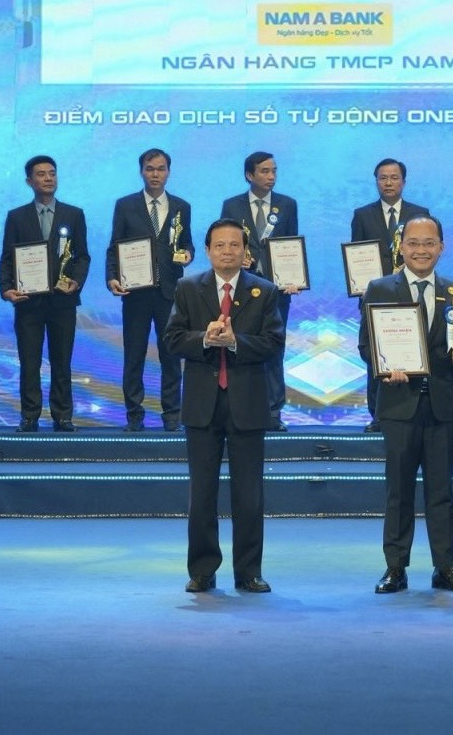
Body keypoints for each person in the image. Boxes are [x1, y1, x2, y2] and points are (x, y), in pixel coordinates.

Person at [163, 218, 284, 592]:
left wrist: (234, 342)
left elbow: (274, 344)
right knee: (201, 494)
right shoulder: (188, 287)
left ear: (245, 251)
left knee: (249, 495)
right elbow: (172, 339)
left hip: (248, 404)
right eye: (220, 245)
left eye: (234, 245)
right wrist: (205, 338)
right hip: (202, 405)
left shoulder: (264, 291)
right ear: (208, 250)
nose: (227, 251)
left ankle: (248, 572)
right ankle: (202, 570)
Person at [359, 215, 453, 594]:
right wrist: (385, 366)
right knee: (398, 491)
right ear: (401, 247)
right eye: (413, 243)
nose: (421, 250)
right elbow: (367, 345)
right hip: (398, 406)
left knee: (442, 492)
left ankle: (445, 567)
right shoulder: (379, 289)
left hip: (442, 406)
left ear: (441, 247)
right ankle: (395, 568)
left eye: (429, 243)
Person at [0, 156, 90, 431]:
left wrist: (76, 281)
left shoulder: (74, 214)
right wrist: (6, 289)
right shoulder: (17, 217)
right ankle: (30, 415)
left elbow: (82, 256)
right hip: (28, 302)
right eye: (41, 174)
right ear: (29, 181)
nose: (48, 178)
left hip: (63, 300)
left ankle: (63, 415)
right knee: (30, 361)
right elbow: (7, 258)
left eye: (52, 173)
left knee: (62, 360)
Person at [107, 148, 193, 431]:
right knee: (134, 355)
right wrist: (112, 278)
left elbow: (187, 243)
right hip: (136, 293)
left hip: (170, 292)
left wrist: (188, 254)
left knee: (171, 355)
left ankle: (172, 415)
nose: (155, 174)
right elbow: (115, 246)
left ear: (169, 172)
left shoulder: (182, 207)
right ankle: (134, 415)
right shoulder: (125, 205)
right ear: (141, 171)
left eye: (161, 168)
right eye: (150, 169)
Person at [348, 158, 431, 433]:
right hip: (377, 294)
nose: (388, 182)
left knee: (411, 350)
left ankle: (415, 410)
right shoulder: (362, 215)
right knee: (376, 354)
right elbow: (358, 254)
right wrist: (360, 284)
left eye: (394, 177)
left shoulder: (420, 213)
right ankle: (377, 415)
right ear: (376, 181)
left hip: (411, 292)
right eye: (383, 178)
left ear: (403, 182)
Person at [221, 151, 302, 431]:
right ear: (249, 175)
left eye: (274, 171)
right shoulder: (232, 206)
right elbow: (224, 244)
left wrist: (294, 278)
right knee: (240, 346)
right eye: (265, 171)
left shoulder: (287, 205)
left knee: (274, 348)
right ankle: (240, 408)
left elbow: (291, 245)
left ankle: (273, 411)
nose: (271, 176)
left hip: (277, 290)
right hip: (241, 288)